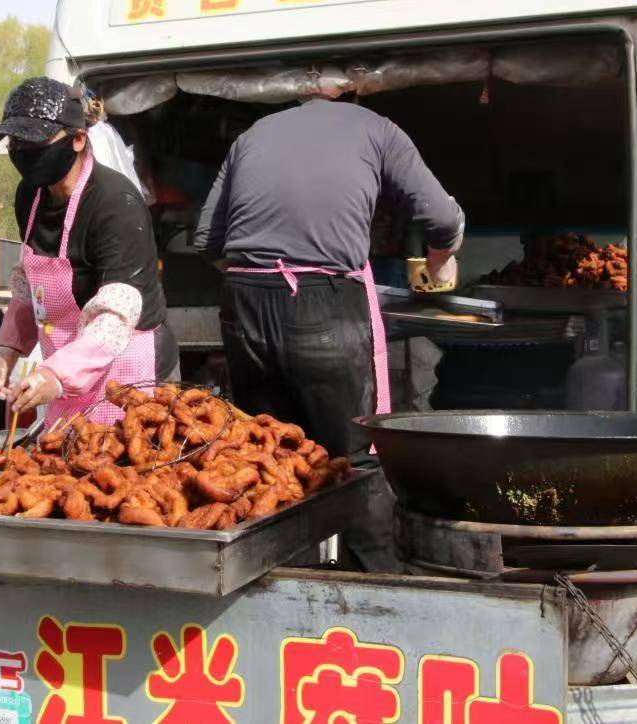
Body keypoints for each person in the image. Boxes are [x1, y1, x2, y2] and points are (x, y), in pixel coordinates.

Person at [194, 93, 464, 572]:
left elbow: (207, 241)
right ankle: (374, 593)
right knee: (354, 461)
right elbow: (441, 219)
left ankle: (279, 581)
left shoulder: (254, 134)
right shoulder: (377, 128)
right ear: (355, 92)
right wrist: (442, 260)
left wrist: (260, 283)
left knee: (267, 454)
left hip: (243, 302)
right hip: (322, 304)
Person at [0, 78, 179, 426]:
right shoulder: (30, 194)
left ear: (77, 139)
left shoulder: (115, 203)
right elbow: (29, 283)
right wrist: (8, 349)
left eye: (35, 141)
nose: (22, 150)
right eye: (15, 141)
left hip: (126, 366)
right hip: (65, 369)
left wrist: (56, 375)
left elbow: (117, 315)